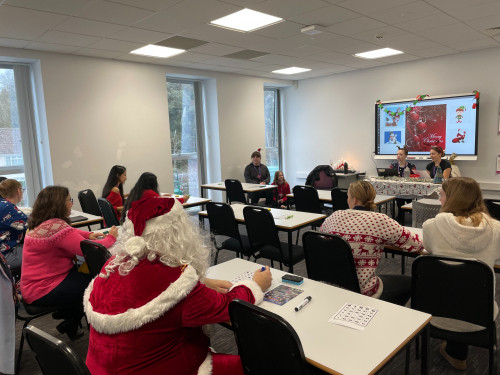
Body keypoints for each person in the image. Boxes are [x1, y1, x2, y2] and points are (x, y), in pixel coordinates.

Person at [84, 197, 272, 375]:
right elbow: (227, 306)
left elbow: (144, 287)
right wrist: (254, 284)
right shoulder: (176, 281)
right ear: (178, 232)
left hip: (99, 368)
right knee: (255, 367)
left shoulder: (113, 265)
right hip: (159, 368)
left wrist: (200, 283)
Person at [20, 186, 118, 340]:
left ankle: (70, 319)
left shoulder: (45, 224)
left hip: (34, 285)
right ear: (59, 203)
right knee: (98, 285)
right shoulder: (57, 228)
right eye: (69, 200)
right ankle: (97, 333)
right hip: (44, 288)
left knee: (86, 278)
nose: (72, 203)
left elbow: (72, 233)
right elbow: (90, 249)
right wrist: (111, 237)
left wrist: (90, 234)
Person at [422, 177, 500, 370]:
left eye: (441, 195)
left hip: (434, 313)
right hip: (479, 317)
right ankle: (457, 353)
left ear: (452, 199)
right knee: (469, 284)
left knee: (452, 284)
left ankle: (455, 353)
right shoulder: (496, 229)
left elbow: (431, 251)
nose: (440, 200)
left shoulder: (430, 227)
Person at [320, 181, 423, 306]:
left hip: (331, 285)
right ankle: (386, 311)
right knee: (412, 282)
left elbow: (321, 240)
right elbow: (416, 244)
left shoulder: (334, 216)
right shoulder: (380, 221)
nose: (347, 200)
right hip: (363, 290)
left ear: (355, 199)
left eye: (348, 197)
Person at [120, 172, 189, 222]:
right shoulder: (150, 193)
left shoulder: (136, 191)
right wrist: (182, 199)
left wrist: (160, 197)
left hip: (131, 221)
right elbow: (167, 204)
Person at [0, 179, 28, 268]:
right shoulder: (8, 208)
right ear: (18, 191)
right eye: (22, 190)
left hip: (5, 249)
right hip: (5, 255)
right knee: (44, 254)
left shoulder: (3, 205)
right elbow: (29, 224)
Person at [389, 146, 416, 223]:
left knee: (405, 198)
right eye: (397, 154)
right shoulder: (392, 166)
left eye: (401, 154)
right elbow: (388, 177)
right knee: (399, 196)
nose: (398, 156)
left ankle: (404, 214)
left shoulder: (412, 166)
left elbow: (415, 177)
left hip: (409, 189)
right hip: (396, 189)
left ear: (406, 156)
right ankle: (401, 214)